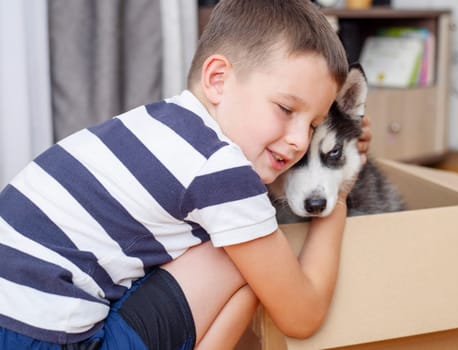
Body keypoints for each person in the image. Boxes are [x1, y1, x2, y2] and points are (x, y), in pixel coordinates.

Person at [0, 0, 372, 349]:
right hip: (53, 339)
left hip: (15, 320)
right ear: (217, 79)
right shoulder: (222, 171)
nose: (297, 142)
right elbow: (301, 316)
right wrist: (336, 202)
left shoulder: (160, 122)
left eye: (313, 126)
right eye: (286, 108)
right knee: (251, 256)